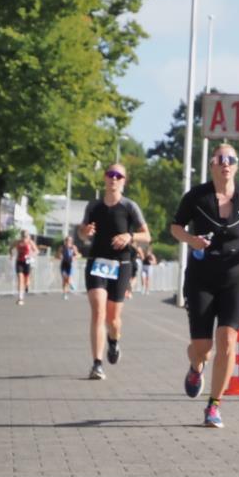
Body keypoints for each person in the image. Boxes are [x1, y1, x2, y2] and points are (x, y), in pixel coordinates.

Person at [170, 144, 239, 428]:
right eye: (220, 159)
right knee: (202, 348)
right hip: (201, 277)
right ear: (212, 165)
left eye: (230, 159)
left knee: (227, 340)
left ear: (236, 166)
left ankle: (214, 405)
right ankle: (196, 367)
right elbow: (175, 226)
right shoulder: (196, 196)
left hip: (235, 277)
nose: (225, 163)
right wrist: (191, 240)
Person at [78, 163, 150, 380]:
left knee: (113, 319)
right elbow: (82, 235)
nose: (114, 178)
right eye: (111, 174)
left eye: (119, 176)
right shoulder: (94, 206)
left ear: (124, 181)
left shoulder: (130, 207)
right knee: (98, 311)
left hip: (121, 264)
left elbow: (147, 235)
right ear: (104, 178)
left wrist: (130, 237)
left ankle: (114, 341)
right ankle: (97, 364)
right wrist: (85, 231)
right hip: (97, 262)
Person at [10, 230, 38, 305]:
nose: (24, 237)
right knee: (20, 278)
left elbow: (36, 251)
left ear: (28, 236)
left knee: (26, 280)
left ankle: (27, 286)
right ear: (21, 236)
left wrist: (31, 255)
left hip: (27, 262)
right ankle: (20, 298)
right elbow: (11, 248)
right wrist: (11, 255)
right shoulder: (17, 242)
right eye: (23, 236)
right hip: (19, 262)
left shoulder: (30, 242)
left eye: (25, 236)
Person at [58, 235, 82, 300]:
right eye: (67, 240)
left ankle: (70, 283)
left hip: (70, 265)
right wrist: (60, 256)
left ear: (71, 241)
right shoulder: (62, 247)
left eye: (69, 240)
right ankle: (64, 293)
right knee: (64, 278)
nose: (68, 242)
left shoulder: (73, 247)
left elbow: (79, 255)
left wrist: (74, 257)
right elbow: (58, 254)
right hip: (64, 264)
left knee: (68, 280)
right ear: (65, 241)